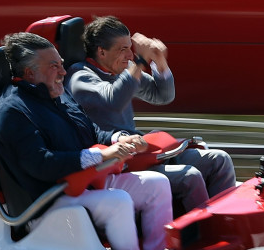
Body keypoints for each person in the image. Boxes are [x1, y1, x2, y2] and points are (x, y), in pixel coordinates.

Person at [0, 32, 172, 250]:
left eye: (61, 64)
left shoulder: (56, 92)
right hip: (49, 200)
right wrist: (102, 156)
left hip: (82, 183)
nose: (63, 72)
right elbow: (41, 164)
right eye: (54, 66)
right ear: (30, 73)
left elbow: (90, 130)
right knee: (118, 201)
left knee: (157, 184)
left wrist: (119, 139)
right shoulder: (13, 110)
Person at [66, 16, 235, 212]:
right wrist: (139, 61)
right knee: (190, 176)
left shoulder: (123, 70)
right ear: (101, 52)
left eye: (131, 48)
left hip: (140, 151)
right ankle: (206, 231)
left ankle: (228, 217)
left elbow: (162, 95)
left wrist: (159, 62)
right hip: (115, 162)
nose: (130, 55)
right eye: (123, 50)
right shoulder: (80, 76)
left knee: (219, 160)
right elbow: (114, 101)